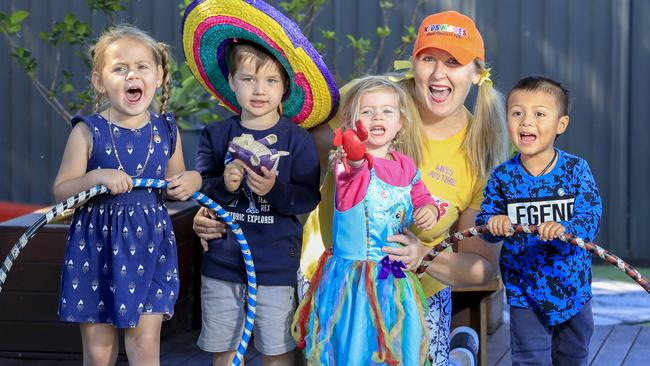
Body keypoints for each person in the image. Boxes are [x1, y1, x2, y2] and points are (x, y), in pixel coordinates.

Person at [194, 10, 509, 365]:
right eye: (428, 59)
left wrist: (425, 257)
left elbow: (483, 267)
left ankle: (456, 353)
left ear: (477, 73)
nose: (438, 73)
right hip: (331, 276)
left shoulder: (481, 151)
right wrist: (219, 208)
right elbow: (280, 158)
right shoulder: (370, 100)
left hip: (413, 288)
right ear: (413, 65)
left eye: (454, 62)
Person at [54, 24, 201, 365]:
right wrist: (95, 177)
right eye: (119, 68)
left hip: (151, 245)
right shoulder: (88, 132)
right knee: (99, 351)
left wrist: (192, 179)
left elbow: (175, 184)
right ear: (99, 81)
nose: (131, 74)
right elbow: (62, 190)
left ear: (159, 76)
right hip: (97, 246)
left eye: (141, 67)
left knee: (145, 345)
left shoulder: (166, 130)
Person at [292, 76, 440, 365]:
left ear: (401, 123)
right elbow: (356, 171)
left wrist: (429, 210)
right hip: (354, 279)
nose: (377, 117)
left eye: (387, 111)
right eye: (367, 111)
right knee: (357, 343)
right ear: (353, 124)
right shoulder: (348, 164)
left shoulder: (406, 165)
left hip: (393, 274)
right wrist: (354, 151)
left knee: (396, 343)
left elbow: (422, 195)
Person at [193, 40, 321, 366]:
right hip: (223, 263)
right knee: (224, 349)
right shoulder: (216, 134)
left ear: (284, 89)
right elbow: (201, 188)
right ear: (232, 84)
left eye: (270, 81)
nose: (259, 90)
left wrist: (274, 191)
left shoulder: (298, 140)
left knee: (276, 350)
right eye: (248, 79)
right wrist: (225, 183)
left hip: (276, 264)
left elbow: (308, 196)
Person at [476, 76, 602, 365]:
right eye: (517, 113)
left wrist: (566, 228)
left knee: (573, 357)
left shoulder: (575, 170)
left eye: (539, 114)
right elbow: (485, 222)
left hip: (573, 289)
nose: (526, 122)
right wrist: (493, 223)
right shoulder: (502, 177)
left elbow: (590, 216)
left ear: (561, 124)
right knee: (529, 359)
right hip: (524, 292)